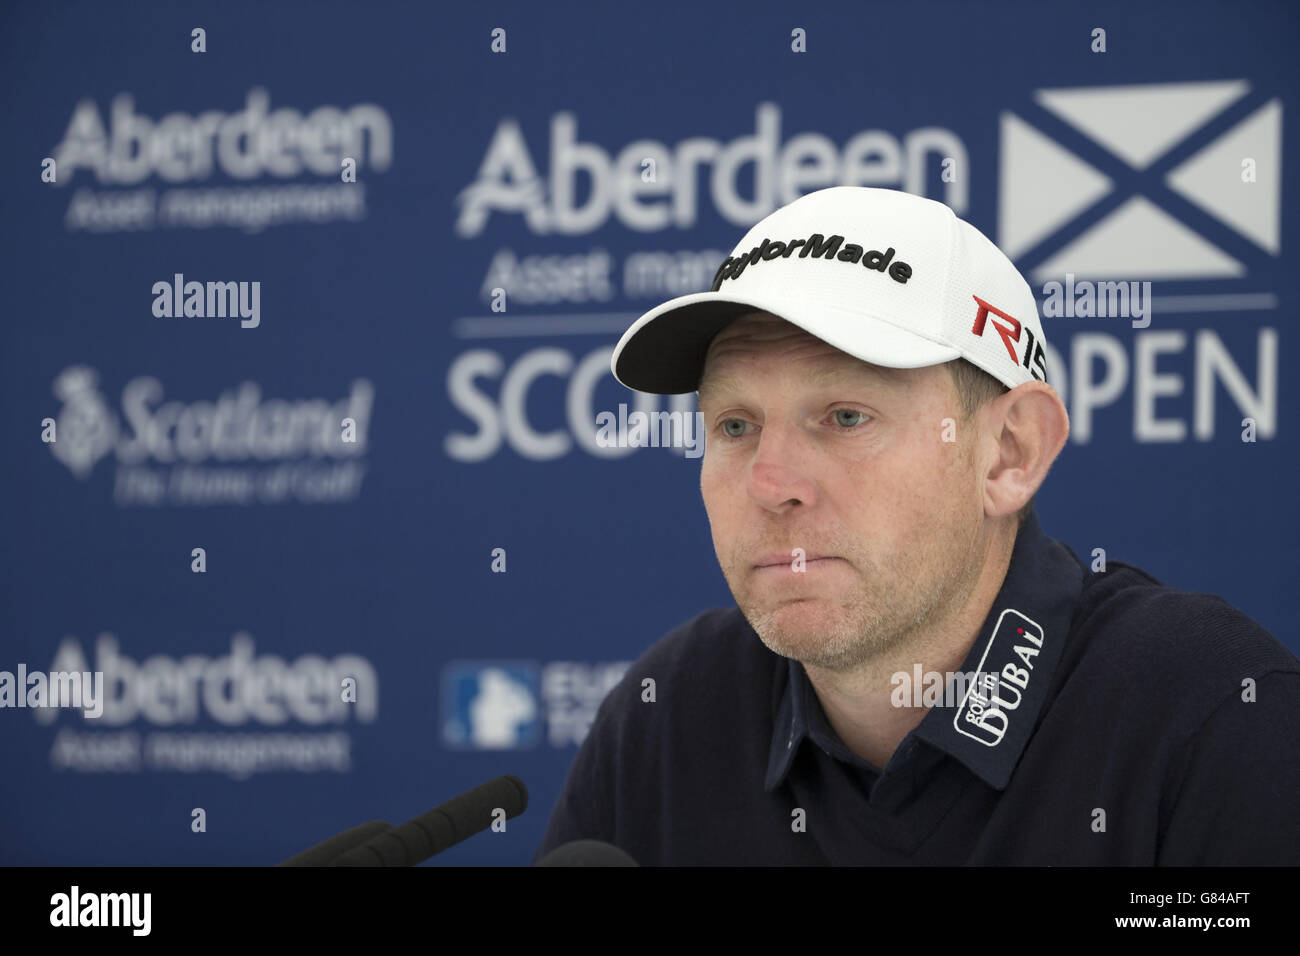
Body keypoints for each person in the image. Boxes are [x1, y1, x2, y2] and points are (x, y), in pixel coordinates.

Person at [533, 186, 1300, 865]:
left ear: (1007, 453)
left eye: (844, 416)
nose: (770, 484)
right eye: (735, 425)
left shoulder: (1213, 718)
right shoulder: (670, 715)